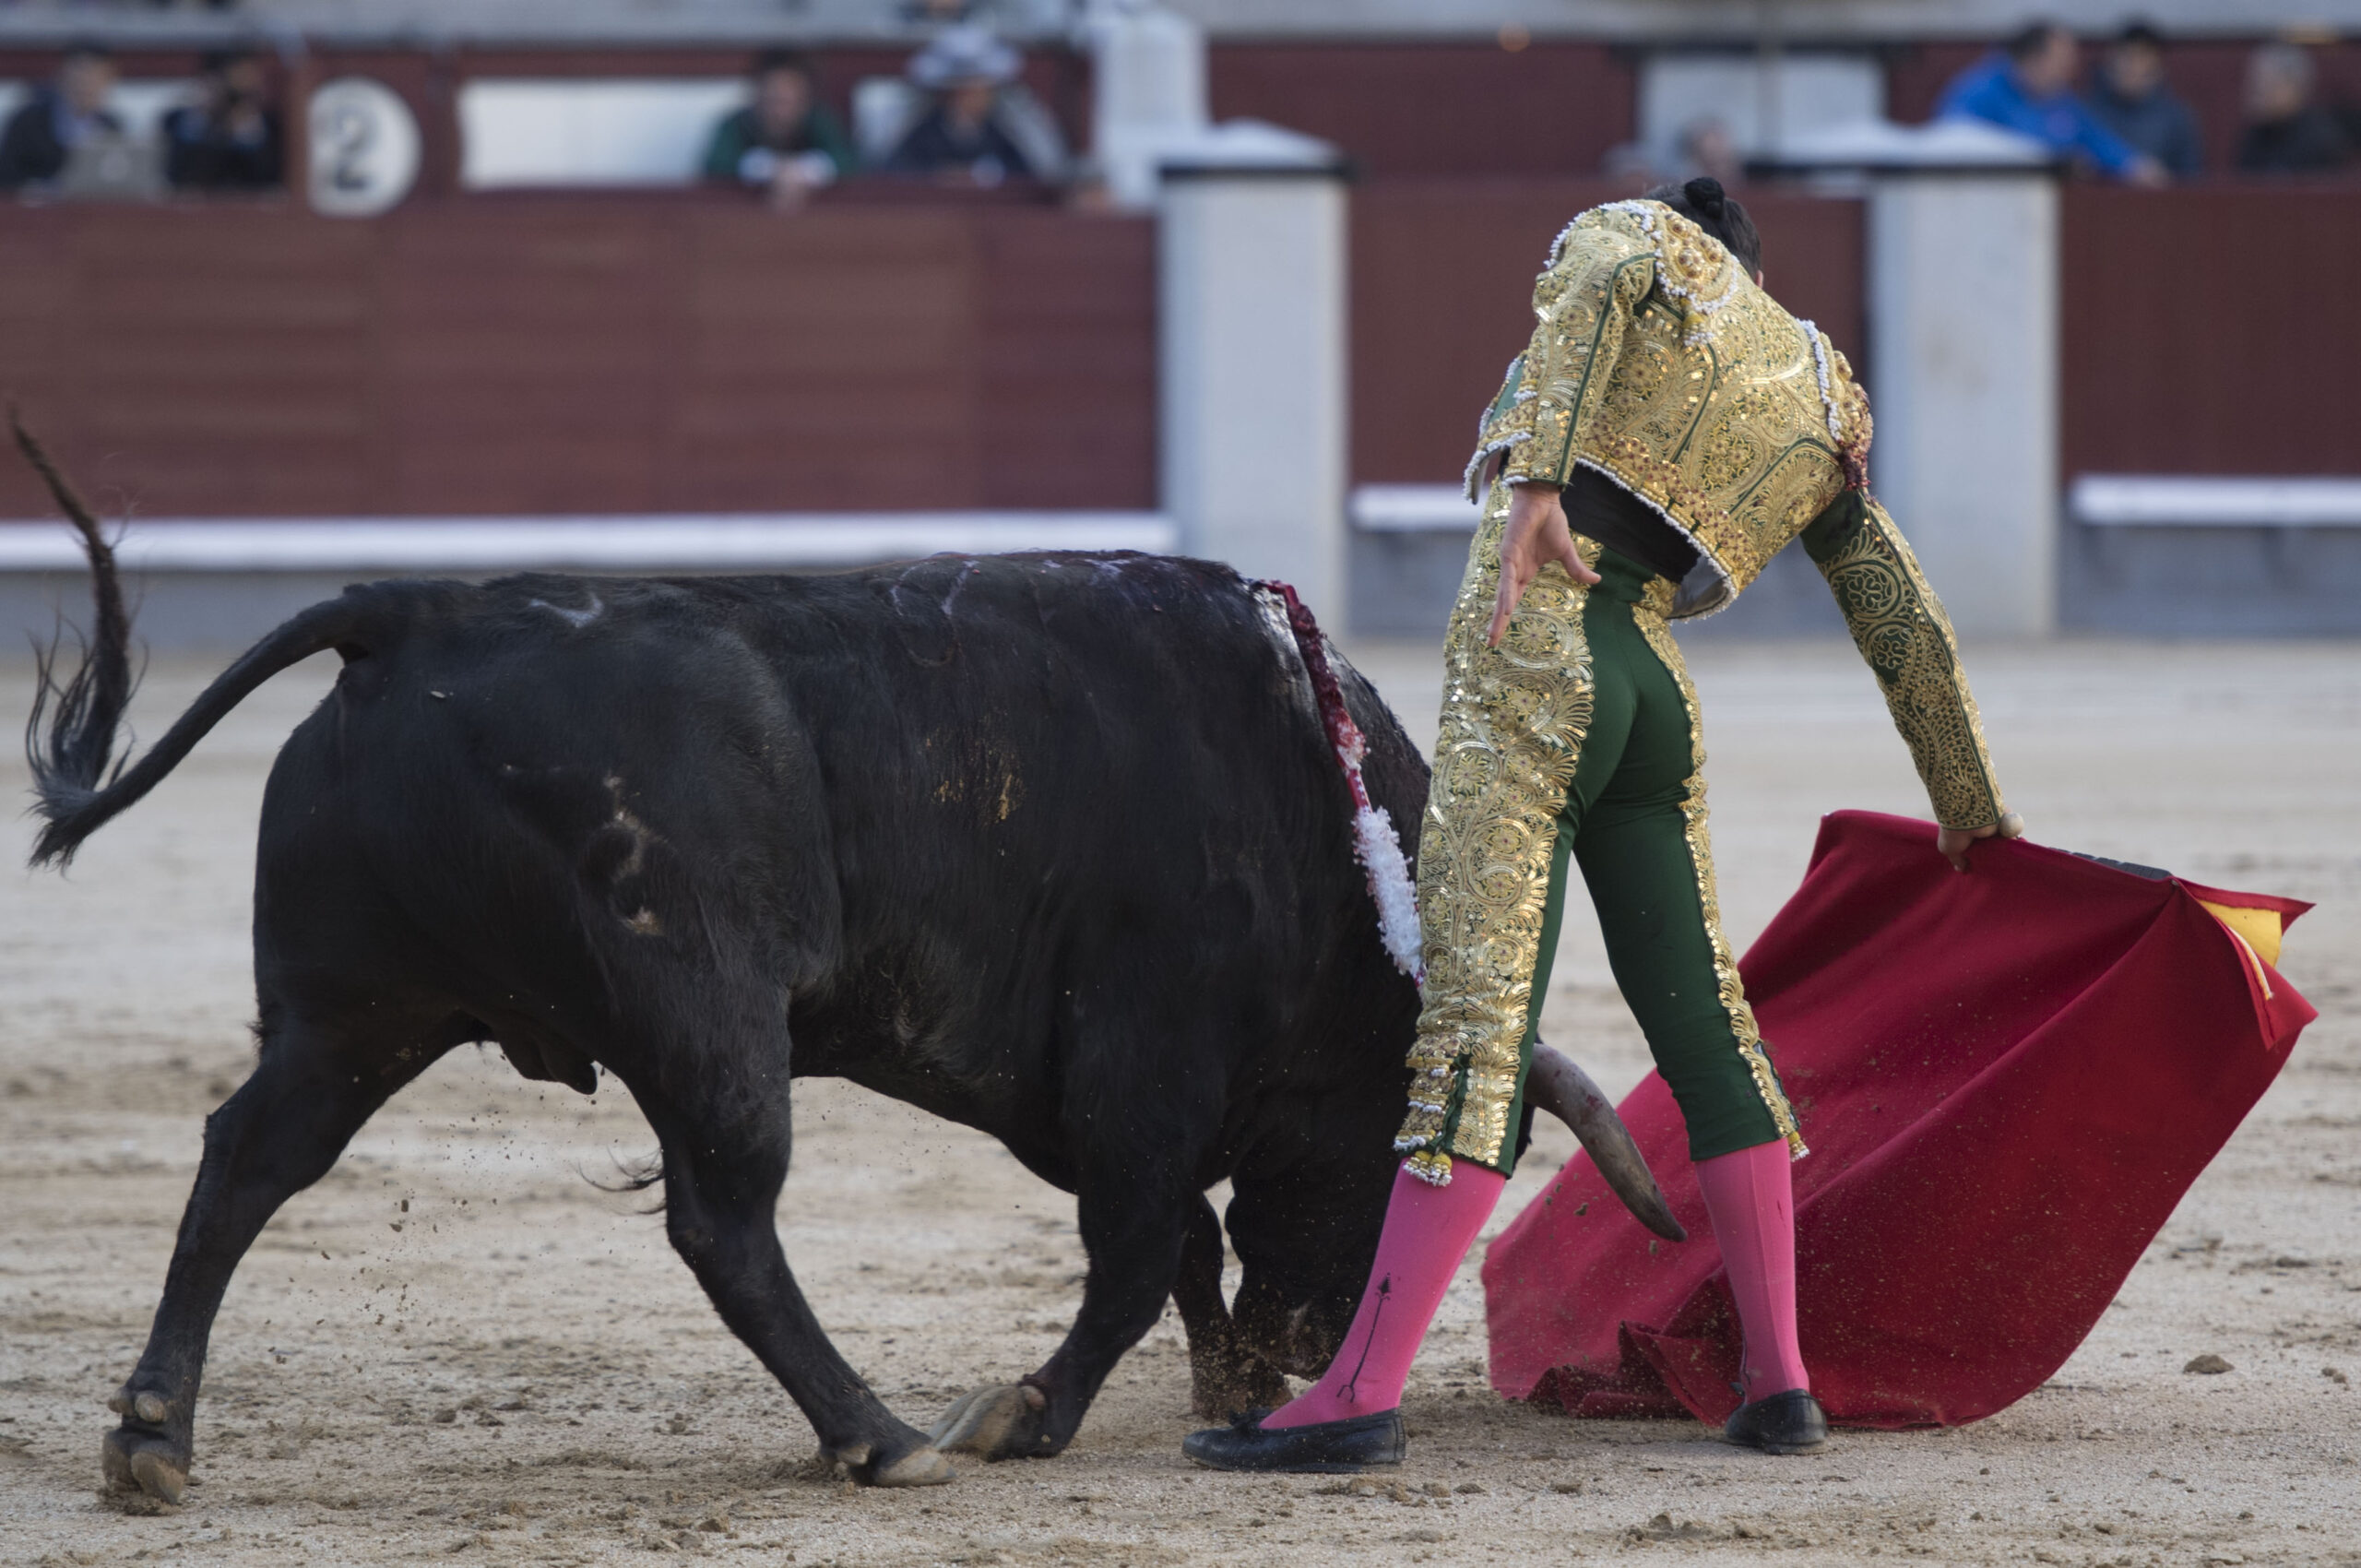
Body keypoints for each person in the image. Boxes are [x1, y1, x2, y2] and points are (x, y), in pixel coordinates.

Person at [1184, 178, 2017, 1473]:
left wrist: (1533, 487)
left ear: (1696, 245)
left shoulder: (1634, 241)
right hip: (1652, 694)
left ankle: (1358, 1388)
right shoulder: (1816, 389)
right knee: (1709, 1030)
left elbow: (1586, 293)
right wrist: (1971, 806)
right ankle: (1781, 1382)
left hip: (1536, 672)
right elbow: (1893, 607)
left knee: (1472, 1035)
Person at [1937, 21, 2166, 185]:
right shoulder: (1977, 93)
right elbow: (1956, 146)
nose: (2068, 74)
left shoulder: (2060, 99)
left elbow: (2095, 138)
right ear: (2034, 61)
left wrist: (2132, 163)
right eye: (2060, 65)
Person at [885, 24, 1068, 185]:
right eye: (961, 90)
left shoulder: (1006, 129)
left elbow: (1038, 173)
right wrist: (939, 176)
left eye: (979, 89)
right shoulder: (924, 131)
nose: (970, 97)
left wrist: (987, 176)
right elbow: (894, 172)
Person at [700, 49, 856, 207]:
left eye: (789, 101)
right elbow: (717, 164)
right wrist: (769, 169)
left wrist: (804, 170)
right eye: (774, 100)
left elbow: (848, 162)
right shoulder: (735, 124)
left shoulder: (821, 121)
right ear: (758, 95)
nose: (780, 112)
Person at [2082, 21, 2202, 179]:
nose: (2132, 68)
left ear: (2158, 69)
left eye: (2142, 59)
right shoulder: (2086, 113)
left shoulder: (2176, 118)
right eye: (2127, 57)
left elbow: (2191, 180)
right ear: (2111, 60)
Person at [0, 42, 123, 192]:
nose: (86, 84)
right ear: (61, 75)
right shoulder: (27, 123)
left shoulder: (112, 126)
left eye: (95, 77)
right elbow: (7, 180)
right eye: (80, 75)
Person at [162, 47, 284, 191]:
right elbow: (177, 175)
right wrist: (203, 118)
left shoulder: (272, 125)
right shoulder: (178, 120)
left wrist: (246, 127)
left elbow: (268, 180)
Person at [2236, 42, 2350, 174]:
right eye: (2254, 83)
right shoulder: (2255, 135)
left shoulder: (2321, 142)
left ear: (2292, 87)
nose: (2255, 92)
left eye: (2266, 84)